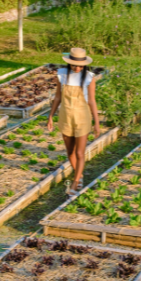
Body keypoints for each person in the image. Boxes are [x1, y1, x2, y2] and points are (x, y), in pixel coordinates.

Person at [47, 48, 101, 193]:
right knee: (70, 151)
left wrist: (96, 122)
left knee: (79, 153)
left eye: (80, 66)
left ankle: (75, 182)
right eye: (74, 65)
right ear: (69, 63)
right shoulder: (62, 75)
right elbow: (57, 97)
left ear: (84, 65)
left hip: (82, 117)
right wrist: (51, 116)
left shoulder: (89, 77)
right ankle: (79, 174)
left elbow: (92, 101)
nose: (77, 68)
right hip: (66, 115)